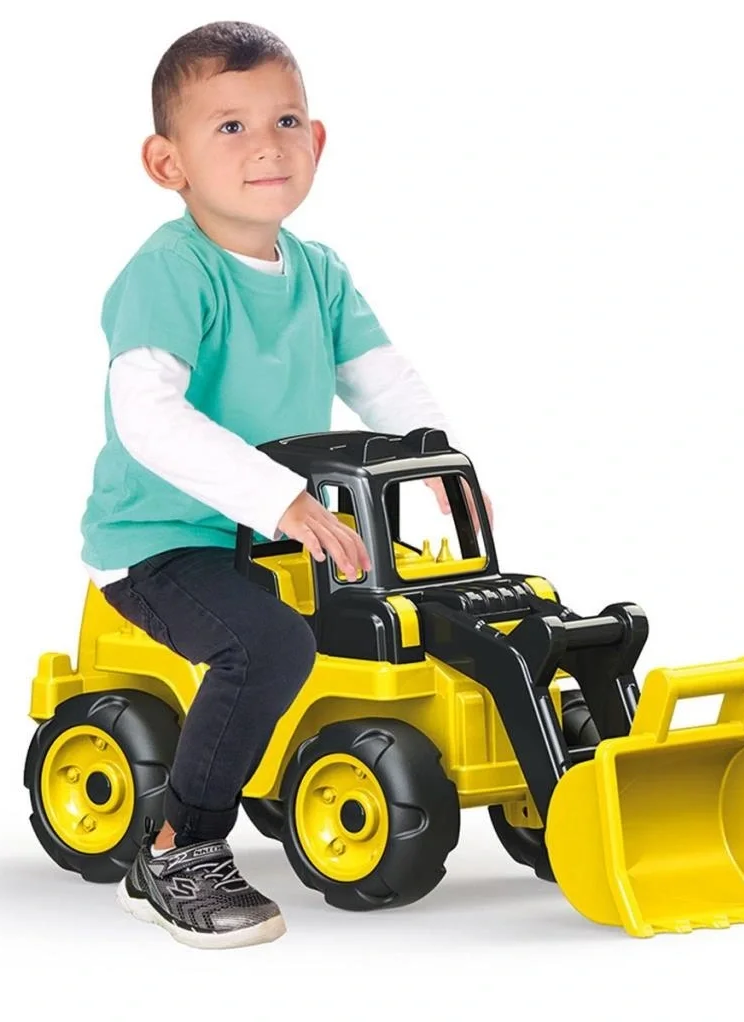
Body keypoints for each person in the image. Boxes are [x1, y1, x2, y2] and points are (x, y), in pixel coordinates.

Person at [79, 21, 493, 949]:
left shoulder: (319, 272)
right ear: (167, 162)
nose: (266, 144)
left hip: (271, 531)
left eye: (286, 120)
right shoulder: (169, 273)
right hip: (164, 540)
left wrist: (441, 464)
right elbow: (149, 417)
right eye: (229, 126)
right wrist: (281, 498)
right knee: (267, 646)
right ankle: (176, 850)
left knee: (423, 605)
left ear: (319, 140)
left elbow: (382, 377)